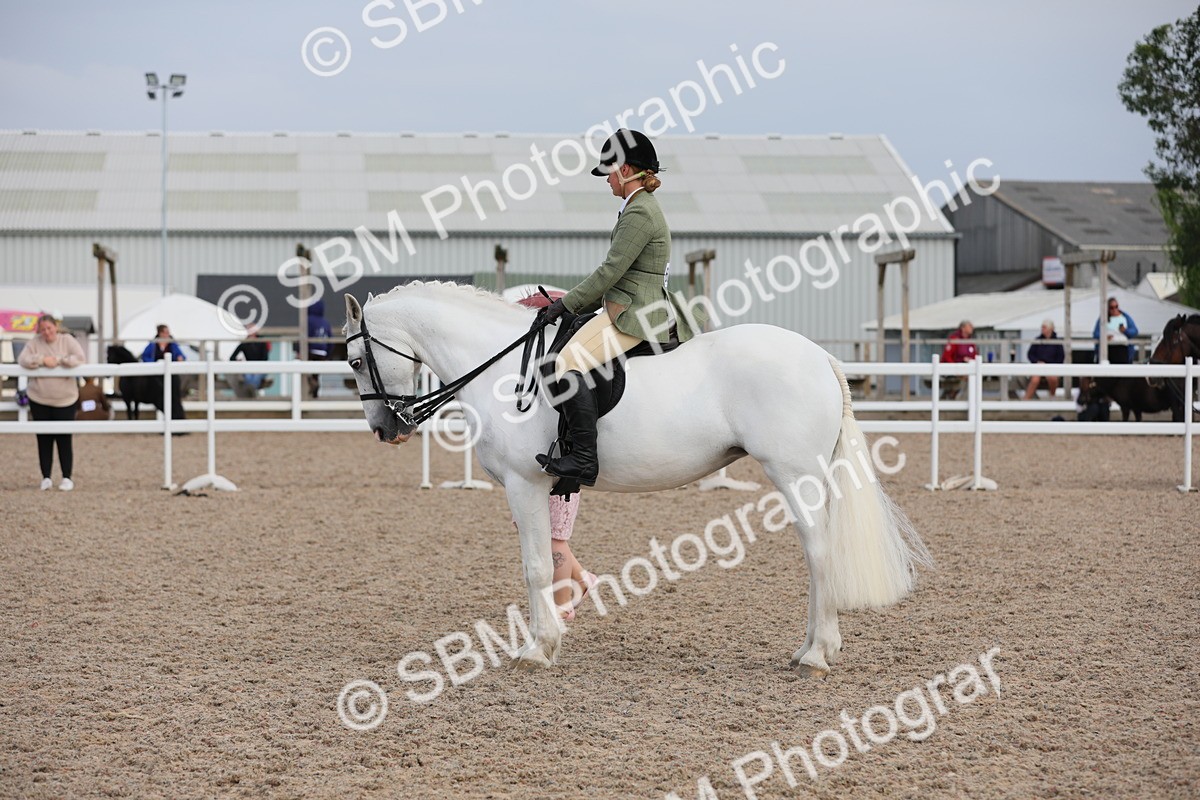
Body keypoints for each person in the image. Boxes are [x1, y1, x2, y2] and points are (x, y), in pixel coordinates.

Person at [537, 129, 704, 485]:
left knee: (565, 363)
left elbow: (610, 271)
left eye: (610, 171)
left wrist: (566, 303)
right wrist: (571, 307)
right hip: (627, 302)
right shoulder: (636, 207)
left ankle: (584, 459)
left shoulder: (640, 212)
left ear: (626, 170)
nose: (607, 179)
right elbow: (616, 277)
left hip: (637, 313)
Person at [514, 291, 600, 618]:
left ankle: (563, 604)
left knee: (555, 541)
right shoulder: (540, 376)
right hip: (552, 474)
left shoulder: (563, 369)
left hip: (563, 482)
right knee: (545, 535)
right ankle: (582, 578)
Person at [17, 314, 85, 490]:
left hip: (65, 400)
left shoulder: (67, 340)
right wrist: (41, 360)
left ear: (56, 327)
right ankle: (46, 477)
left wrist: (61, 361)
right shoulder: (34, 343)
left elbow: (79, 357)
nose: (46, 332)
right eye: (43, 329)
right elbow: (23, 359)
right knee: (43, 439)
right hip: (39, 399)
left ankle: (66, 477)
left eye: (49, 328)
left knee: (64, 439)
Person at [140, 324, 187, 420]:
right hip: (157, 376)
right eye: (165, 332)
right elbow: (145, 356)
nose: (167, 334)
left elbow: (181, 356)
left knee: (175, 395)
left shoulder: (172, 344)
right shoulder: (153, 344)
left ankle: (177, 417)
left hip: (171, 374)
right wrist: (154, 363)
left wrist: (179, 358)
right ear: (160, 333)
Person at [1022, 320, 1066, 400]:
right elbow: (1030, 354)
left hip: (1052, 368)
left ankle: (1052, 397)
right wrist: (1037, 362)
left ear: (1050, 328)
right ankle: (1026, 399)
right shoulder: (1038, 340)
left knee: (1053, 378)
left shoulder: (1057, 342)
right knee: (1035, 379)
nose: (1042, 329)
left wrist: (1051, 365)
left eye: (1044, 327)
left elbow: (1061, 357)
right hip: (1038, 367)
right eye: (1042, 327)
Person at [1093, 296, 1138, 364]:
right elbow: (1096, 334)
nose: (1114, 309)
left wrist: (1125, 331)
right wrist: (1104, 337)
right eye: (1112, 308)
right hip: (1108, 349)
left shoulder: (1125, 317)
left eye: (1116, 307)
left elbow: (1135, 331)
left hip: (1122, 349)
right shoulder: (1103, 319)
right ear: (1108, 308)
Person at [939, 320, 977, 400]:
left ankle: (966, 399)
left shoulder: (970, 341)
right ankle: (953, 396)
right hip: (952, 368)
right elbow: (947, 356)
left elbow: (974, 355)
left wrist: (969, 360)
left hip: (966, 368)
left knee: (973, 376)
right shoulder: (955, 339)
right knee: (965, 377)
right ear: (963, 328)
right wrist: (955, 368)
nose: (972, 328)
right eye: (969, 326)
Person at [230, 326, 271, 397]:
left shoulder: (262, 342)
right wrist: (238, 361)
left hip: (260, 369)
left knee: (255, 377)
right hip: (249, 368)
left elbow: (265, 358)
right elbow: (232, 357)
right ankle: (252, 392)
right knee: (248, 376)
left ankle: (251, 392)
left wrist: (257, 368)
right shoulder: (244, 344)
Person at [306, 299, 333, 398]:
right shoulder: (325, 322)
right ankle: (314, 393)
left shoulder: (308, 320)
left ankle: (311, 386)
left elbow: (305, 335)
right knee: (316, 374)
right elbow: (331, 339)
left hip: (311, 351)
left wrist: (299, 351)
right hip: (322, 352)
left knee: (304, 370)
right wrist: (328, 354)